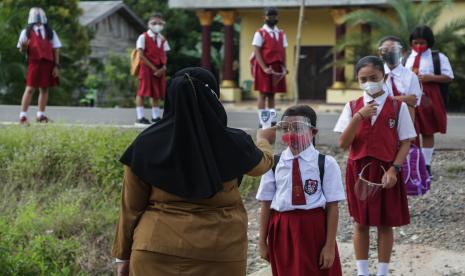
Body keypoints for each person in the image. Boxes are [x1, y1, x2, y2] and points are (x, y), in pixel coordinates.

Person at [112, 67, 275, 276]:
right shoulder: (234, 142)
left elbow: (131, 209)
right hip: (220, 252)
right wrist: (264, 140)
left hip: (154, 250)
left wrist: (123, 258)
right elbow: (263, 164)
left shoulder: (145, 144)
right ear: (213, 99)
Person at [334, 56, 416, 276]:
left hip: (386, 170)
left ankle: (382, 271)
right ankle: (362, 271)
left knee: (385, 222)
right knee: (360, 222)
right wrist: (359, 117)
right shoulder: (352, 106)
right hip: (359, 171)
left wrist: (394, 169)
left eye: (373, 77)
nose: (369, 82)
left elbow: (406, 140)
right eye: (363, 79)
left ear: (383, 76)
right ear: (358, 81)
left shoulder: (397, 107)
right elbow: (343, 143)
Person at [257, 105, 344, 276]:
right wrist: (262, 241)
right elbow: (265, 204)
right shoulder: (274, 163)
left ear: (313, 132)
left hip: (314, 230)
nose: (291, 134)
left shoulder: (326, 163)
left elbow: (333, 207)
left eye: (297, 128)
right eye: (286, 128)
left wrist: (329, 246)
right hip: (282, 230)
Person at [404, 25, 454, 176]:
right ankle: (412, 164)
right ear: (411, 42)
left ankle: (426, 165)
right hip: (410, 97)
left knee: (428, 131)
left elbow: (449, 76)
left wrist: (431, 77)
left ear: (429, 43)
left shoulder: (438, 57)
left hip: (429, 97)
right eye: (415, 43)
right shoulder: (406, 57)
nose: (418, 46)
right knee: (410, 131)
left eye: (422, 43)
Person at [17, 7, 61, 125]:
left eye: (40, 17)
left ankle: (40, 115)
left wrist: (56, 66)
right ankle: (23, 116)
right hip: (34, 62)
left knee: (44, 88)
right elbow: (21, 49)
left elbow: (56, 49)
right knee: (30, 88)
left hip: (48, 63)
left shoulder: (50, 32)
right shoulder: (26, 32)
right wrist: (24, 48)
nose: (38, 20)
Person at [252, 7, 288, 128]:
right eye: (269, 15)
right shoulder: (260, 32)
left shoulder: (281, 33)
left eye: (275, 15)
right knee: (263, 94)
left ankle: (271, 120)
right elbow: (256, 51)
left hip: (277, 67)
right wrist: (263, 68)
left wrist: (284, 67)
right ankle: (263, 121)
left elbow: (283, 52)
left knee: (272, 94)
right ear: (264, 17)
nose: (272, 18)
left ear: (278, 17)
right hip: (264, 66)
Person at [134, 12, 170, 126]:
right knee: (141, 92)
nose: (157, 25)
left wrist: (163, 68)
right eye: (154, 23)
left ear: (163, 24)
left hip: (160, 71)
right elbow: (141, 55)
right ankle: (140, 117)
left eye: (159, 23)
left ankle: (156, 117)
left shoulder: (162, 39)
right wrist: (154, 68)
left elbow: (165, 55)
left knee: (157, 93)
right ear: (149, 24)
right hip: (146, 69)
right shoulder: (143, 37)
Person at [378, 35, 422, 122]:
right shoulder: (375, 75)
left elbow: (414, 101)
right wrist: (405, 98)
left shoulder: (411, 76)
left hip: (405, 120)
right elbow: (373, 101)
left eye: (394, 49)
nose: (389, 52)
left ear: (403, 52)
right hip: (382, 121)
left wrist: (386, 99)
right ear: (380, 53)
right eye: (385, 50)